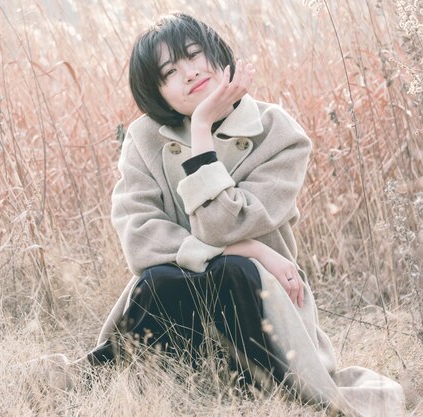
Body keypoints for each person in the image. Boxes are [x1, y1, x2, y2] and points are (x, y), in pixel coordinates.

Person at [74, 12, 405, 417]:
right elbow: (140, 239)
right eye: (170, 71)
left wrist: (200, 130)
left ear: (217, 53)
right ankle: (155, 385)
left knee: (233, 270)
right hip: (178, 295)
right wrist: (252, 247)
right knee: (159, 277)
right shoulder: (143, 140)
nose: (190, 72)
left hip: (254, 297)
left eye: (194, 55)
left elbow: (222, 224)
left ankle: (256, 390)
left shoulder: (276, 132)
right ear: (156, 92)